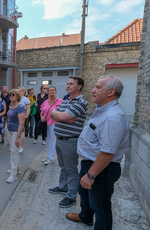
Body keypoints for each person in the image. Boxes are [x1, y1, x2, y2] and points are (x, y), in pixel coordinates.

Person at [65, 76, 129, 229]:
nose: (93, 90)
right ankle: (86, 216)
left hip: (101, 169)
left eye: (98, 87)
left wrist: (91, 174)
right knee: (84, 193)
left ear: (110, 92)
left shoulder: (113, 117)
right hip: (90, 163)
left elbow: (107, 152)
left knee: (100, 205)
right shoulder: (103, 110)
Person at [49, 76, 88, 208]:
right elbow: (52, 113)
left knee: (71, 170)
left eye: (71, 84)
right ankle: (63, 186)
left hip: (70, 140)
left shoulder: (81, 102)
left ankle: (71, 196)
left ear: (79, 86)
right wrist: (64, 117)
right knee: (63, 167)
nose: (68, 86)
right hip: (59, 139)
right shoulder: (66, 101)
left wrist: (61, 116)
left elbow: (59, 115)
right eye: (67, 83)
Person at [6, 89, 25, 183]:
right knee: (13, 151)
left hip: (16, 132)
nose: (11, 96)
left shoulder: (20, 107)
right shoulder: (11, 105)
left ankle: (13, 175)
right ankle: (16, 169)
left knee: (14, 152)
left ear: (17, 96)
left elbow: (21, 124)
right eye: (10, 95)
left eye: (13, 95)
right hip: (9, 131)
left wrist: (18, 137)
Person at [40, 86, 62, 165]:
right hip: (46, 124)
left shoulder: (60, 101)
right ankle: (49, 156)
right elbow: (41, 112)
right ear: (48, 92)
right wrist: (42, 117)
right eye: (50, 90)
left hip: (55, 124)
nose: (51, 91)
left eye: (53, 90)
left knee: (53, 141)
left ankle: (51, 157)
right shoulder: (45, 102)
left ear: (55, 92)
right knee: (48, 140)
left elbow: (62, 113)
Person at [18, 86, 30, 153]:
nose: (19, 92)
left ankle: (21, 147)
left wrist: (26, 116)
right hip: (16, 117)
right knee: (15, 132)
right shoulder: (16, 98)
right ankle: (15, 145)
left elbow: (28, 109)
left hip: (23, 117)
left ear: (24, 92)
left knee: (22, 132)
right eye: (18, 91)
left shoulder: (26, 99)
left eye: (21, 91)